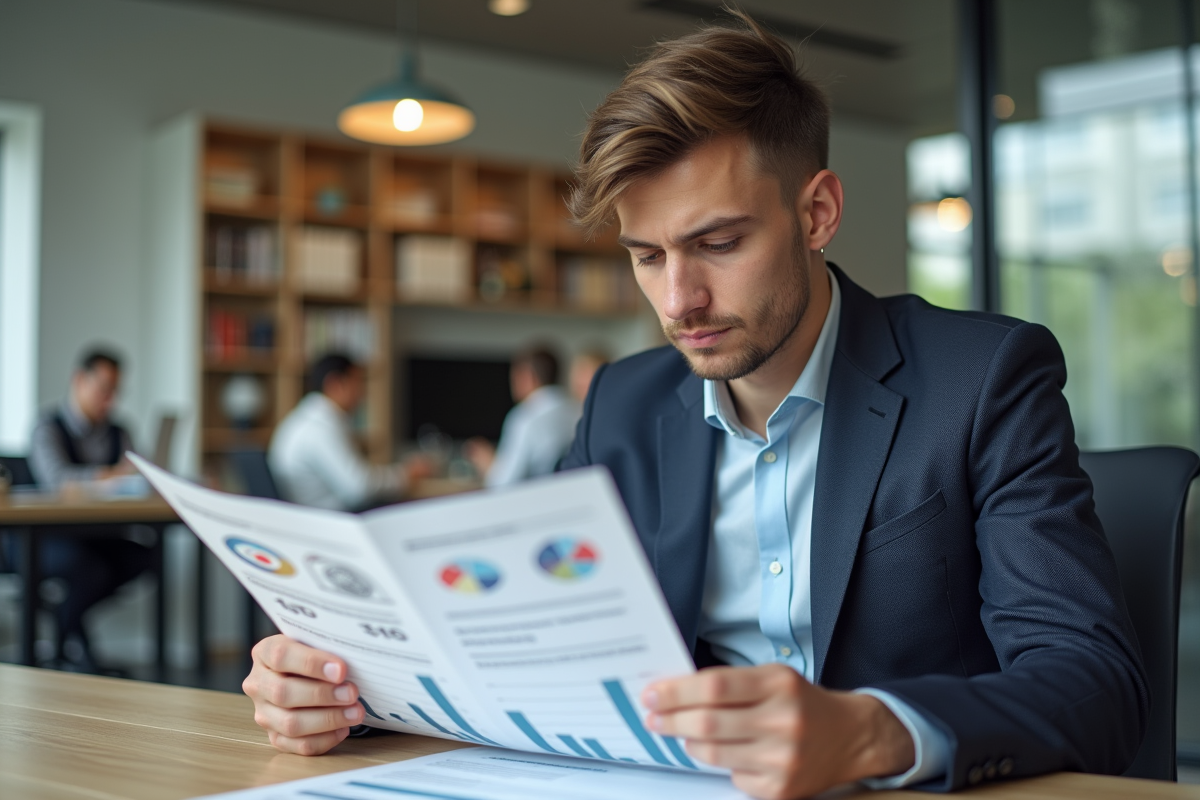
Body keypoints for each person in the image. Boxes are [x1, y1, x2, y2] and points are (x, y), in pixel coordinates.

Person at [237, 12, 1148, 799]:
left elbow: (1093, 681)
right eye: (646, 256)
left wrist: (870, 731)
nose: (679, 302)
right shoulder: (626, 406)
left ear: (819, 212)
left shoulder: (983, 377)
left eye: (717, 243)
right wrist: (345, 694)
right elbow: (511, 643)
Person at [26, 348, 153, 671]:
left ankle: (63, 624)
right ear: (79, 380)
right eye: (104, 389)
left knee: (146, 556)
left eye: (115, 391)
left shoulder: (118, 431)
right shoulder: (47, 428)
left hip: (98, 533)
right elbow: (58, 481)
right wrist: (110, 475)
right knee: (90, 568)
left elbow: (135, 475)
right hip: (46, 539)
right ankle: (68, 641)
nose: (110, 399)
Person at [270, 353, 430, 512]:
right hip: (329, 520)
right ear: (335, 383)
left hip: (311, 516)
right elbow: (359, 488)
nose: (362, 394)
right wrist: (405, 475)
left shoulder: (301, 419)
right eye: (358, 383)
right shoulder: (319, 430)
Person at [463, 345, 580, 487]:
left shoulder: (525, 418)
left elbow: (503, 485)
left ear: (528, 376)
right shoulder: (578, 409)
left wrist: (487, 463)